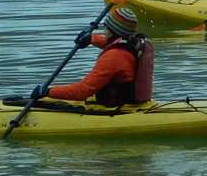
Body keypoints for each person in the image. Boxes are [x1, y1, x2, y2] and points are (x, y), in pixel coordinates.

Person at [26, 7, 154, 108]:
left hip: (115, 106)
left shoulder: (113, 57)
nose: (104, 30)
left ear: (113, 30)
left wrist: (48, 91)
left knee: (48, 96)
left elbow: (82, 91)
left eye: (106, 27)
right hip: (129, 100)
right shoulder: (132, 43)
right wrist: (91, 38)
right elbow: (109, 42)